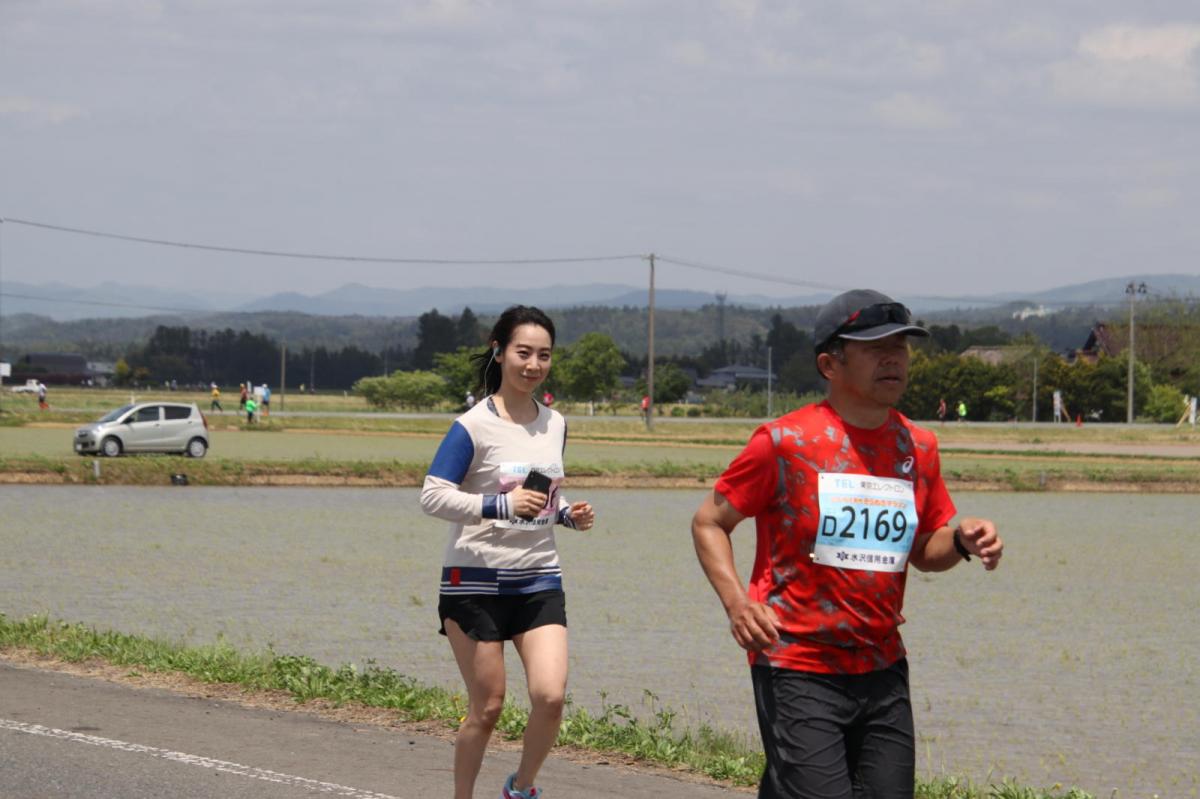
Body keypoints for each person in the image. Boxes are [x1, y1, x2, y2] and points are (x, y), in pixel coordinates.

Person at [691, 289, 1003, 799]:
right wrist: (737, 603)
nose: (893, 359)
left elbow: (925, 550)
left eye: (901, 348)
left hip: (882, 666)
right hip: (796, 661)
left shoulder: (918, 446)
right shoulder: (783, 443)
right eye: (876, 348)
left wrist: (963, 540)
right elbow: (709, 522)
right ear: (829, 364)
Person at [420, 305, 595, 799]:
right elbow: (432, 496)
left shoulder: (555, 423)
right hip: (472, 584)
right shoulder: (472, 425)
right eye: (523, 353)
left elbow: (537, 497)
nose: (533, 364)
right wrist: (499, 503)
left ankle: (522, 788)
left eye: (544, 355)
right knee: (489, 706)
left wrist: (565, 515)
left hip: (538, 578)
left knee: (551, 696)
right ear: (500, 353)